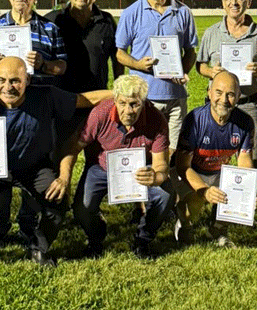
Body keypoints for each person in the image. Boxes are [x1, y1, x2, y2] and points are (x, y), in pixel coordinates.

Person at [0, 57, 111, 269]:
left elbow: (85, 99)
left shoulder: (45, 96)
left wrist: (120, 94)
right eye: (1, 80)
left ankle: (39, 247)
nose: (7, 87)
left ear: (27, 79)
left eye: (15, 80)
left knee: (57, 200)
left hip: (34, 168)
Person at [0, 0, 67, 244]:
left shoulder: (49, 29)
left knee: (36, 165)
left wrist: (45, 65)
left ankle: (28, 221)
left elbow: (62, 66)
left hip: (37, 108)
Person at [56, 75, 174, 258]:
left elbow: (161, 165)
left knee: (165, 195)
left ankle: (143, 239)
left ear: (143, 102)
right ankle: (96, 237)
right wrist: (64, 178)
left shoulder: (156, 119)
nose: (128, 110)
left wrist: (155, 176)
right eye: (122, 103)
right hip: (101, 167)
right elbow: (73, 147)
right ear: (115, 100)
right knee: (82, 207)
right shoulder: (100, 114)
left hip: (141, 168)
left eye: (134, 104)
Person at [115, 0, 198, 153]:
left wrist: (183, 72)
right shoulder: (131, 13)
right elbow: (119, 53)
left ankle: (168, 184)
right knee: (144, 152)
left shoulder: (183, 12)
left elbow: (191, 51)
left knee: (172, 152)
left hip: (175, 98)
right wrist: (137, 65)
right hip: (144, 98)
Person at [174, 71, 254, 247]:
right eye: (218, 92)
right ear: (209, 92)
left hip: (218, 171)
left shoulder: (245, 122)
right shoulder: (195, 120)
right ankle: (184, 221)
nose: (224, 100)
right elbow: (182, 166)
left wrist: (248, 190)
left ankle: (217, 230)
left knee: (237, 187)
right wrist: (204, 191)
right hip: (192, 172)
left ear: (239, 96)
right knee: (195, 203)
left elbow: (244, 161)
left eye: (231, 94)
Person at [196, 0, 257, 168]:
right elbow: (200, 65)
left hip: (249, 103)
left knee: (250, 158)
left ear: (249, 2)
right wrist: (210, 72)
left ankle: (248, 196)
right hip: (218, 104)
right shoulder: (212, 32)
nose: (234, 3)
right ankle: (215, 195)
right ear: (223, 3)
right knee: (215, 156)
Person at [45, 0, 122, 136]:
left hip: (98, 98)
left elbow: (117, 57)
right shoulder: (53, 20)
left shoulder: (106, 21)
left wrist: (118, 85)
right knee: (60, 152)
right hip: (63, 98)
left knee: (96, 154)